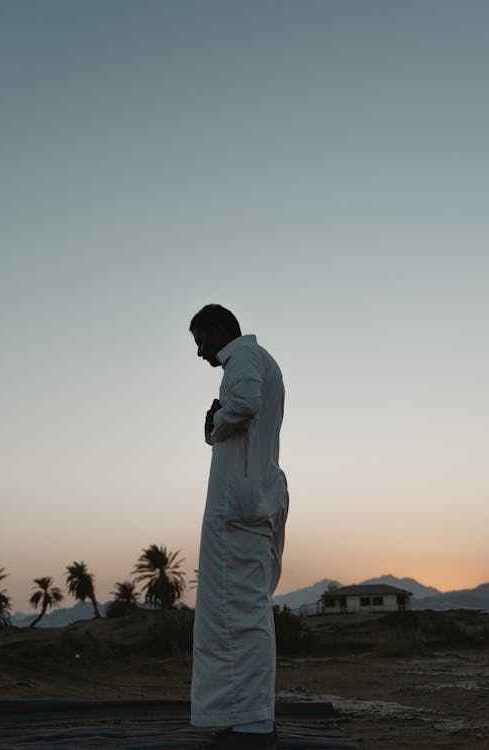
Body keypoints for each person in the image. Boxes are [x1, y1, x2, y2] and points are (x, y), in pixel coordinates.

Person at [189, 304, 289, 750]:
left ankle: (252, 725)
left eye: (199, 340)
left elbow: (245, 404)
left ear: (218, 330)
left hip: (240, 507)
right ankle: (244, 715)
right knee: (235, 612)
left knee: (241, 614)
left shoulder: (244, 358)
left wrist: (217, 422)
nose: (199, 352)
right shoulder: (251, 361)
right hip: (246, 502)